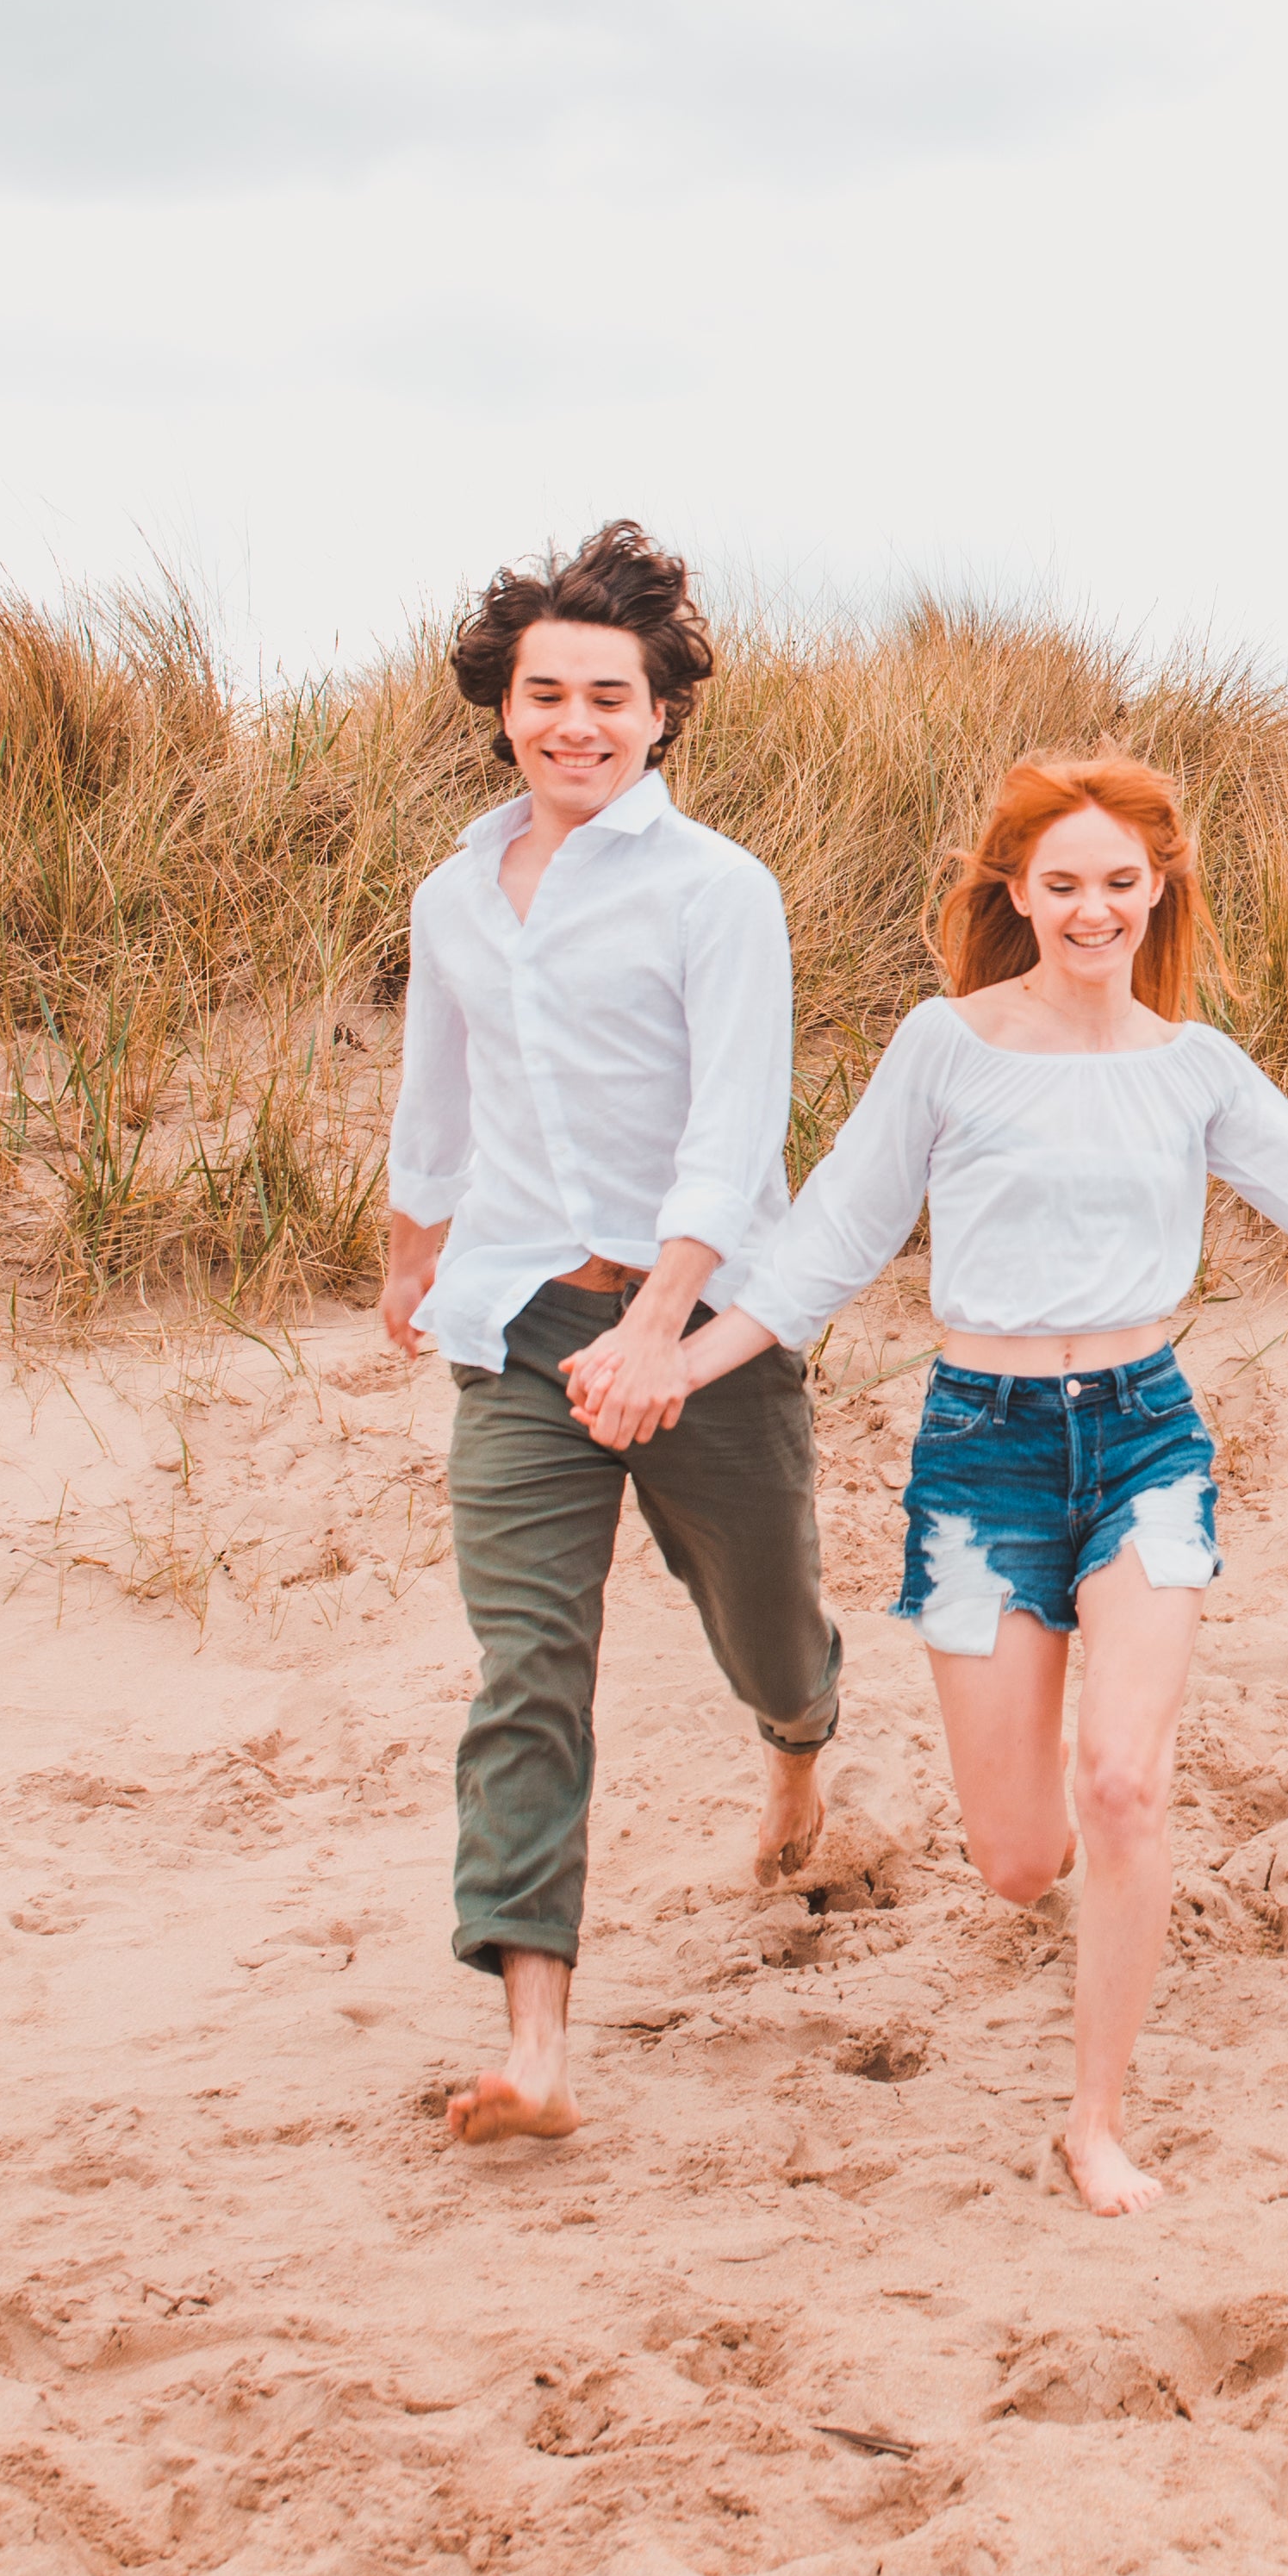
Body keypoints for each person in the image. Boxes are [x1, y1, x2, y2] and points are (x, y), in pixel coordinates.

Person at [638, 753, 1288, 2214]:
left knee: (1127, 1786)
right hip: (980, 1456)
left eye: (1122, 886)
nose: (1094, 911)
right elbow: (825, 1243)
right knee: (1019, 1860)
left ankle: (1096, 2119)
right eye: (1065, 884)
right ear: (1016, 893)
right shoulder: (943, 1046)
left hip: (1146, 1439)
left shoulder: (1194, 1066)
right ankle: (967, 1845)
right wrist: (677, 1364)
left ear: (1162, 891)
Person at [379, 522, 839, 2150]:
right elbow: (441, 1091)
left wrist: (659, 1320)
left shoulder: (720, 892)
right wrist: (412, 1246)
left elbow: (734, 1130)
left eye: (608, 696)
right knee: (528, 1667)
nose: (575, 722)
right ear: (502, 706)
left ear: (661, 715)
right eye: (544, 693)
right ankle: (537, 2044)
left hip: (703, 1328)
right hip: (515, 1324)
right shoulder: (452, 890)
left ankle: (799, 1750)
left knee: (766, 1618)